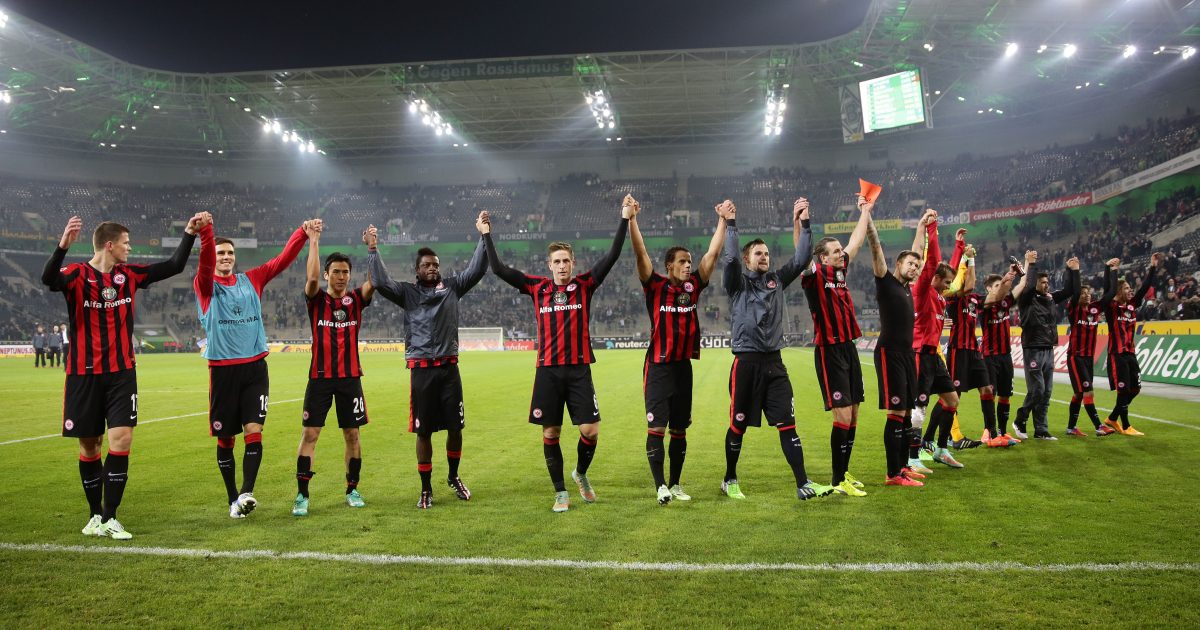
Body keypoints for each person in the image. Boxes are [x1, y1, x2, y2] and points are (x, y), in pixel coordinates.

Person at [42, 213, 203, 540]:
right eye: (126, 243)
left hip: (121, 374)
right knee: (90, 445)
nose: (130, 248)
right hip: (83, 375)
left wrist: (189, 233)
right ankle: (94, 515)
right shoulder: (77, 274)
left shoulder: (128, 275)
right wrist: (62, 246)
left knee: (122, 439)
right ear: (109, 245)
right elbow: (48, 279)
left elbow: (174, 265)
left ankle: (111, 516)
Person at [484, 198, 630, 512]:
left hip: (579, 370)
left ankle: (580, 473)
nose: (562, 266)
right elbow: (498, 269)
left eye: (566, 261)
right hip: (548, 371)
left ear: (573, 263)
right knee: (551, 432)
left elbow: (613, 254)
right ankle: (561, 492)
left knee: (590, 430)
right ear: (549, 265)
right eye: (557, 262)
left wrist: (624, 218)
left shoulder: (586, 285)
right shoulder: (536, 288)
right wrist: (486, 235)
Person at [195, 214, 314, 519]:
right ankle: (232, 499)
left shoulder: (252, 280)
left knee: (254, 429)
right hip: (223, 371)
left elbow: (281, 261)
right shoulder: (205, 286)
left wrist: (301, 233)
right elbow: (205, 265)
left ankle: (246, 492)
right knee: (226, 439)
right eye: (220, 253)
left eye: (229, 253)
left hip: (255, 369)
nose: (225, 257)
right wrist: (207, 233)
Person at [365, 213, 487, 509]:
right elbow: (380, 281)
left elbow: (477, 268)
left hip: (449, 369)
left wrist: (484, 235)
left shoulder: (453, 287)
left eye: (436, 265)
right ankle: (426, 488)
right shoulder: (407, 293)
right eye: (427, 265)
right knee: (424, 431)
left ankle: (454, 476)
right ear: (417, 270)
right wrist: (372, 249)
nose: (433, 268)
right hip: (422, 372)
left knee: (456, 428)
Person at [721, 197, 833, 501]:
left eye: (767, 253)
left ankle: (803, 483)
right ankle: (730, 478)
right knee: (738, 426)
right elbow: (729, 259)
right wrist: (731, 223)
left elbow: (802, 257)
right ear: (747, 259)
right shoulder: (736, 283)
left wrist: (804, 221)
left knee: (788, 425)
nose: (765, 257)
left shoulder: (776, 280)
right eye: (758, 253)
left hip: (775, 364)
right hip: (746, 364)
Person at [628, 195, 726, 504]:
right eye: (682, 261)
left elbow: (713, 253)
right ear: (669, 265)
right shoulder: (654, 285)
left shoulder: (693, 286)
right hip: (658, 367)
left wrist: (723, 220)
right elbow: (640, 252)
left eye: (689, 261)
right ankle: (660, 486)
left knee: (680, 429)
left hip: (684, 367)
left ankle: (675, 484)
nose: (688, 265)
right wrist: (632, 220)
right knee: (656, 427)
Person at [292, 227, 376, 517]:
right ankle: (302, 495)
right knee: (310, 433)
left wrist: (372, 247)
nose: (341, 276)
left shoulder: (356, 300)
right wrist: (314, 241)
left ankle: (352, 489)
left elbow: (375, 281)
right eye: (336, 272)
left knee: (352, 435)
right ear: (327, 275)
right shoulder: (316, 299)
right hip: (320, 379)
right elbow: (311, 279)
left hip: (350, 379)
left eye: (345, 272)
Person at [800, 197, 871, 497]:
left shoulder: (841, 272)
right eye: (836, 251)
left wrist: (865, 211)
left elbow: (856, 241)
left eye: (841, 250)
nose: (842, 253)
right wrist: (802, 222)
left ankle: (844, 472)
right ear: (823, 258)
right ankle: (837, 479)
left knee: (853, 414)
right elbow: (802, 254)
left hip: (848, 348)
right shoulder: (814, 275)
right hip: (829, 351)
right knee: (841, 416)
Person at [862, 199, 925, 487]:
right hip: (889, 354)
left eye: (917, 265)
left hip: (907, 354)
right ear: (898, 264)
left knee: (907, 412)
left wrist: (921, 226)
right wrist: (867, 216)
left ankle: (902, 466)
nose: (914, 267)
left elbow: (918, 250)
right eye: (910, 263)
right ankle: (892, 473)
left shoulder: (908, 288)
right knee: (897, 412)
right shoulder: (885, 281)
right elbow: (875, 246)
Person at [945, 237, 1017, 448]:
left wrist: (1008, 278)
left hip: (974, 351)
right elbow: (968, 284)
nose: (969, 278)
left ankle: (993, 435)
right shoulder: (953, 297)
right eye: (965, 275)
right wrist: (968, 259)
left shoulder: (975, 299)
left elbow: (996, 297)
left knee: (986, 389)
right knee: (954, 396)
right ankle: (949, 435)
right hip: (958, 350)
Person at [909, 211, 964, 469]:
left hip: (934, 356)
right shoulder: (923, 290)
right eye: (947, 282)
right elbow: (933, 262)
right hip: (920, 353)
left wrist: (960, 247)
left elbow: (948, 268)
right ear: (936, 279)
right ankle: (912, 457)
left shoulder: (941, 296)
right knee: (919, 408)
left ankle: (941, 449)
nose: (949, 285)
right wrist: (932, 229)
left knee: (952, 400)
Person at [1012, 252, 1076, 441]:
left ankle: (1041, 429)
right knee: (1038, 389)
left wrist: (1072, 270)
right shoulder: (1026, 298)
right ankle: (1020, 418)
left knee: (1046, 392)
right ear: (1035, 284)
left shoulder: (1049, 298)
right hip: (1032, 348)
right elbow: (1028, 284)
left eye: (1047, 282)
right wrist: (1031, 264)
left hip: (1048, 348)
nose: (1047, 285)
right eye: (1043, 283)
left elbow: (1069, 290)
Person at [1098, 254, 1162, 436]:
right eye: (1126, 288)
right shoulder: (1111, 307)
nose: (1130, 290)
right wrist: (1110, 269)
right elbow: (1107, 289)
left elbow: (1145, 287)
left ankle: (1112, 418)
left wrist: (1152, 266)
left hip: (1130, 353)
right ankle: (1126, 426)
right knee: (1124, 390)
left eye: (1130, 287)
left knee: (1135, 388)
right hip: (1117, 354)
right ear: (1118, 291)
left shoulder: (1133, 304)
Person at [979, 255, 1030, 444]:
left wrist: (1026, 263)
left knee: (1005, 395)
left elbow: (1022, 284)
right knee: (989, 395)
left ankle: (1002, 431)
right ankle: (988, 431)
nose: (1000, 288)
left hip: (1005, 356)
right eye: (996, 285)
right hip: (989, 357)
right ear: (988, 289)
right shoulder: (984, 305)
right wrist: (1008, 277)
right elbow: (998, 294)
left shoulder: (1006, 303)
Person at [1063, 260, 1112, 437]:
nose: (1087, 295)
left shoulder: (1094, 309)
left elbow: (1110, 293)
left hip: (1089, 358)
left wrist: (1109, 269)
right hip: (1076, 357)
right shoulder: (1074, 309)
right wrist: (1075, 271)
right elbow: (1075, 293)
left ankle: (1071, 428)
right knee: (1088, 391)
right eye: (1083, 293)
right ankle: (1099, 426)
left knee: (1078, 393)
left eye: (1088, 293)